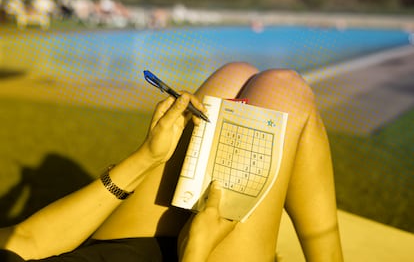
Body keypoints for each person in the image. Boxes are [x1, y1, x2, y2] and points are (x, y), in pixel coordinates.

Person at [0, 62, 344, 261]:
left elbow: (26, 241)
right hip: (193, 253)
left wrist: (147, 157)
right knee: (284, 90)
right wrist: (197, 247)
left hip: (115, 252)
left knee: (234, 78)